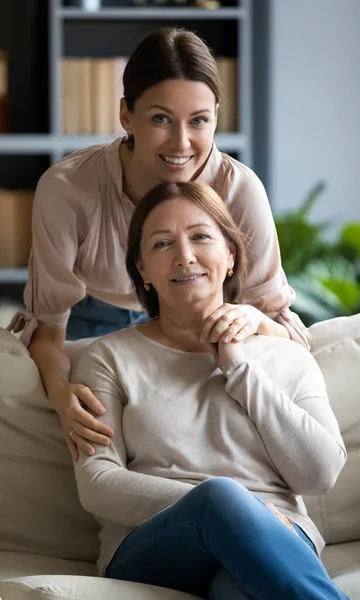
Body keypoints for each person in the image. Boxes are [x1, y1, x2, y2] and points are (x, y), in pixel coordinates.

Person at [8, 27, 310, 461]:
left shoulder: (239, 190)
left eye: (199, 120)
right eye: (161, 119)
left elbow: (280, 330)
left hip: (201, 323)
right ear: (126, 115)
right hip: (91, 322)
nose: (181, 143)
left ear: (217, 117)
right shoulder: (67, 188)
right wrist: (60, 392)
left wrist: (249, 318)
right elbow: (49, 329)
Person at [72, 181, 349, 600]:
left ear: (231, 255)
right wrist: (228, 508)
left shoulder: (285, 356)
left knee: (235, 589)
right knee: (220, 498)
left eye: (201, 236)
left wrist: (238, 368)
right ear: (143, 270)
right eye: (162, 243)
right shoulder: (109, 358)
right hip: (154, 547)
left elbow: (321, 473)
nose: (184, 256)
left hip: (281, 537)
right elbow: (97, 481)